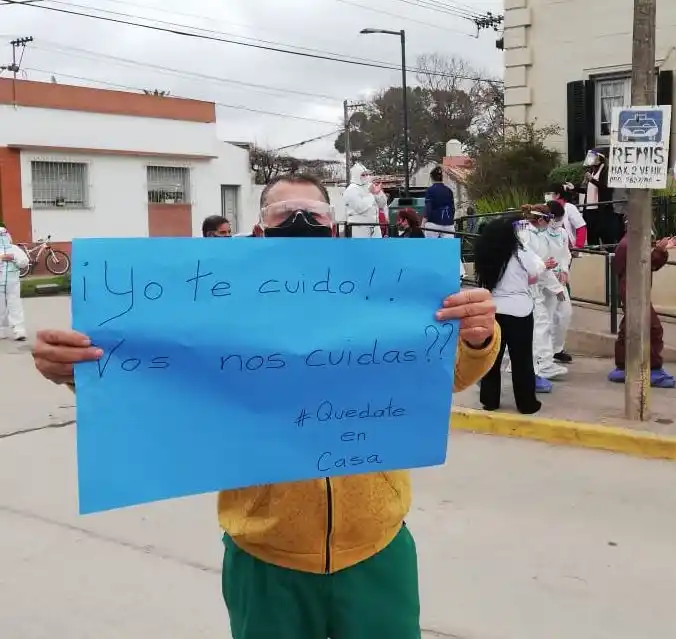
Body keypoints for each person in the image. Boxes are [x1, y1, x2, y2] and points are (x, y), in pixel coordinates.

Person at [32, 172, 501, 639]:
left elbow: (451, 375)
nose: (300, 220)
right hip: (265, 556)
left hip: (377, 546)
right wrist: (81, 372)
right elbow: (164, 386)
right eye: (283, 213)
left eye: (314, 213)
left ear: (333, 226)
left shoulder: (382, 295)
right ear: (260, 229)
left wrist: (479, 337)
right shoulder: (220, 304)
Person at [476, 214, 545, 415]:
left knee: (491, 357)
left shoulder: (487, 253)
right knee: (521, 359)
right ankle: (526, 403)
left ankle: (490, 400)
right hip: (519, 310)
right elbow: (537, 268)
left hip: (494, 309)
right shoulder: (519, 252)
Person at [608, 230, 676, 388]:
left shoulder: (633, 243)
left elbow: (650, 265)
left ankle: (623, 363)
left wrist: (661, 251)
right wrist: (660, 250)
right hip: (634, 294)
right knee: (653, 329)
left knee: (628, 328)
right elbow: (644, 265)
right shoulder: (629, 245)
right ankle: (652, 367)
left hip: (635, 292)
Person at [521, 205, 568, 389]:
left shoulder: (533, 234)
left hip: (533, 288)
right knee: (539, 326)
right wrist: (544, 266)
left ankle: (539, 364)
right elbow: (531, 263)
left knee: (539, 325)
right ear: (540, 220)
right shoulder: (528, 235)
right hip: (527, 288)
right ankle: (540, 366)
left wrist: (555, 286)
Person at [547, 200, 574, 363]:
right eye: (556, 219)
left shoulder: (562, 233)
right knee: (547, 317)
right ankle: (544, 353)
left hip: (560, 282)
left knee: (565, 313)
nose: (558, 223)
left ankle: (557, 348)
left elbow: (566, 254)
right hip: (545, 282)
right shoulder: (540, 233)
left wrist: (564, 270)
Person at [579, 150, 619, 246]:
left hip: (601, 209)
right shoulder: (591, 171)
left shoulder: (606, 170)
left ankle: (609, 256)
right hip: (589, 209)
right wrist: (573, 188)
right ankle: (595, 254)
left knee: (605, 235)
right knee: (591, 236)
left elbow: (605, 187)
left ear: (600, 158)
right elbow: (588, 191)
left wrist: (592, 180)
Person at [0, 227, 29, 341]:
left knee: (15, 305)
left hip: (12, 282)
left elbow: (24, 262)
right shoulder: (14, 248)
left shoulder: (14, 249)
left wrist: (13, 258)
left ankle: (19, 330)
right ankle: (1, 330)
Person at [344, 163, 387, 239]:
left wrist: (378, 193)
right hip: (359, 229)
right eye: (363, 175)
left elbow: (382, 204)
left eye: (367, 174)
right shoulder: (351, 190)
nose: (366, 177)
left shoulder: (370, 186)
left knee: (377, 250)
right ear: (356, 175)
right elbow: (360, 207)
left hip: (375, 227)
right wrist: (371, 194)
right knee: (361, 249)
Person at [548, 183, 588, 252]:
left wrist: (578, 246)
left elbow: (581, 227)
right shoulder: (544, 207)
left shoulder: (569, 207)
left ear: (557, 195)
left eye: (549, 194)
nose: (547, 196)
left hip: (568, 247)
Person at [423, 166, 456, 238]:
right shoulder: (449, 191)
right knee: (448, 248)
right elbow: (453, 209)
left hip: (433, 223)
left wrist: (423, 224)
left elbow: (428, 209)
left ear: (431, 177)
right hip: (448, 223)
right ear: (442, 177)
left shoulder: (430, 190)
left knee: (432, 248)